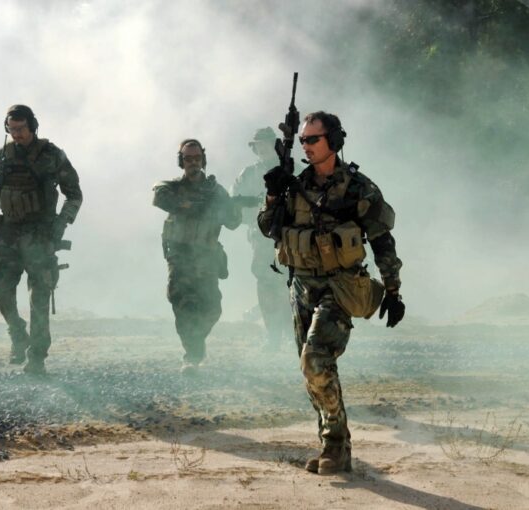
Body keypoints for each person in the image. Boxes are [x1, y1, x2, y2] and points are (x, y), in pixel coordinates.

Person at [258, 111, 405, 474]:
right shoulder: (296, 186)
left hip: (340, 286)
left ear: (334, 141)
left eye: (313, 140)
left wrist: (393, 289)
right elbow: (268, 229)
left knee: (316, 359)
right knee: (312, 371)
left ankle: (335, 445)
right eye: (303, 140)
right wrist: (274, 194)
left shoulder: (358, 188)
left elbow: (382, 239)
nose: (306, 146)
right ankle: (332, 440)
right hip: (301, 286)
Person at [0, 104, 82, 375]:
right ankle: (18, 332)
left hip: (40, 234)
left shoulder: (52, 155)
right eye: (11, 129)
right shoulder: (2, 156)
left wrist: (60, 225)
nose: (16, 134)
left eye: (20, 129)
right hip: (8, 232)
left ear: (32, 126)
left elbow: (74, 194)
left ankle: (37, 357)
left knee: (39, 296)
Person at [153, 139, 242, 375]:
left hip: (206, 257)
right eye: (188, 159)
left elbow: (233, 223)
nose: (193, 163)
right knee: (181, 304)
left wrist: (230, 207)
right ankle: (191, 355)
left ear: (203, 160)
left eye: (197, 158)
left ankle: (197, 341)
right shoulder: (172, 187)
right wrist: (190, 205)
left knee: (213, 308)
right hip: (180, 256)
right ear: (181, 161)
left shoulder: (216, 191)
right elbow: (158, 196)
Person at [231, 127, 292, 346]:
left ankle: (291, 331)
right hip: (261, 238)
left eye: (267, 143)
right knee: (267, 285)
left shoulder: (290, 169)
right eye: (259, 145)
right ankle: (273, 335)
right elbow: (235, 204)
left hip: (291, 237)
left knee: (289, 283)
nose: (263, 149)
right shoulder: (248, 174)